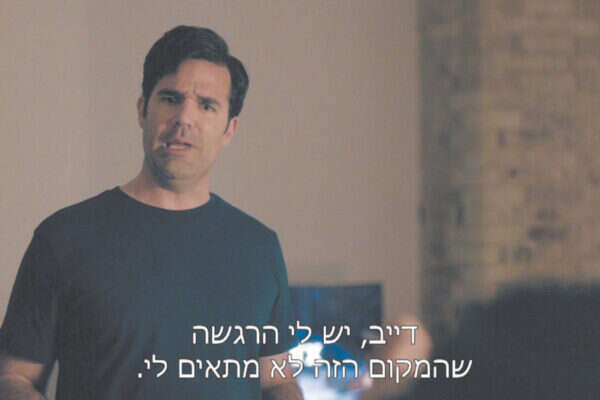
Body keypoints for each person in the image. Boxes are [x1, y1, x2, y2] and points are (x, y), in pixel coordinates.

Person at [0, 25, 303, 400]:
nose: (184, 119)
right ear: (143, 109)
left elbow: (275, 379)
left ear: (230, 129)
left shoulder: (260, 248)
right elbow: (14, 377)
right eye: (171, 98)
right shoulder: (63, 238)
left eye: (207, 105)